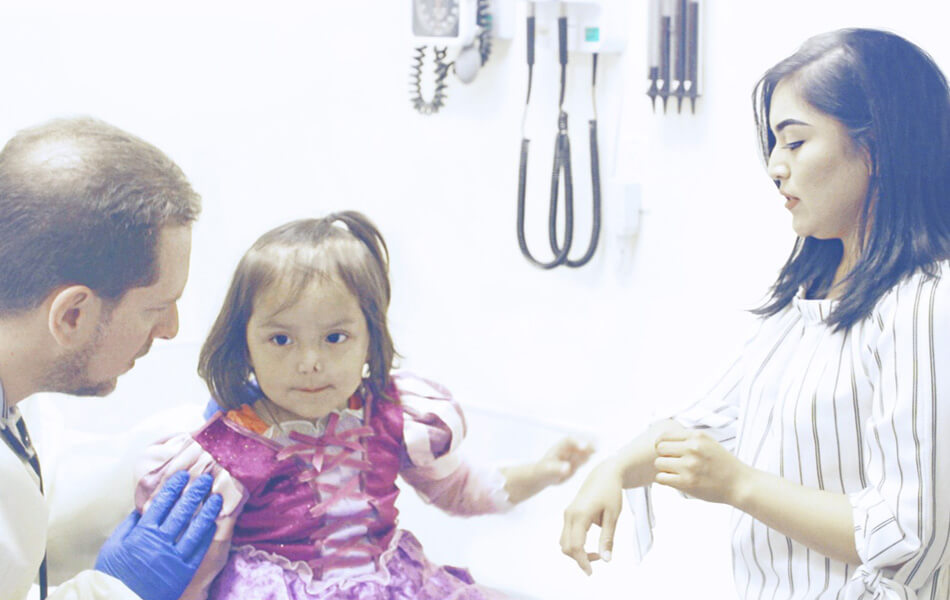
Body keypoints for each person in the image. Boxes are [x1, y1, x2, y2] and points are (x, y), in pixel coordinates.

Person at [560, 28, 950, 599]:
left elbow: (910, 534)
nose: (774, 166)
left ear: (875, 147)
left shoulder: (924, 304)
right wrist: (615, 467)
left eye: (794, 143)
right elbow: (710, 423)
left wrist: (740, 485)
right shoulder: (811, 292)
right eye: (773, 143)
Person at [134, 211, 594, 599]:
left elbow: (456, 489)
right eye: (280, 339)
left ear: (370, 336)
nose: (310, 363)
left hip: (386, 582)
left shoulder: (394, 413)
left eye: (336, 337)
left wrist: (541, 473)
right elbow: (198, 564)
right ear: (244, 343)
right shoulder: (230, 449)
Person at [0, 117, 223, 600]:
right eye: (156, 309)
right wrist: (115, 589)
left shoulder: (15, 401)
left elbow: (34, 496)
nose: (171, 330)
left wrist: (198, 440)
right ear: (73, 315)